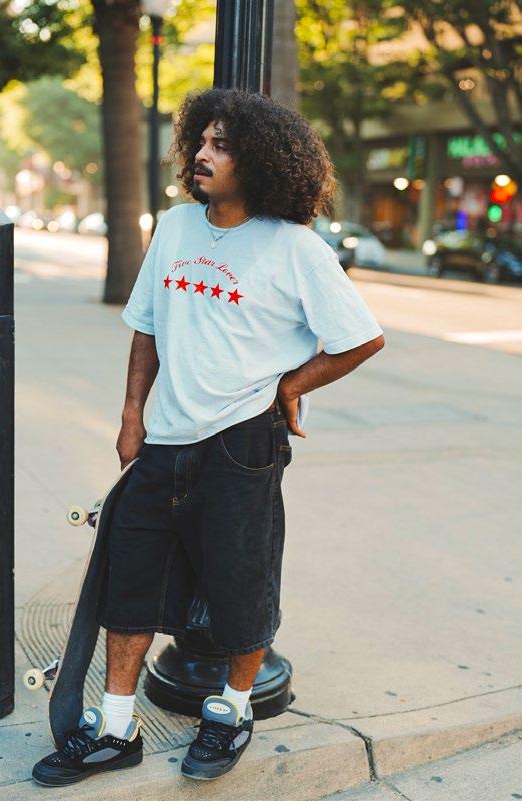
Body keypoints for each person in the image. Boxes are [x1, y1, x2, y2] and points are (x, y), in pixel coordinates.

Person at [32, 88, 384, 787]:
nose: (201, 154)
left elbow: (360, 338)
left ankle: (230, 710)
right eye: (201, 141)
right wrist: (131, 415)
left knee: (240, 584)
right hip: (161, 442)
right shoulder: (173, 227)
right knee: (130, 581)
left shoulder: (294, 247)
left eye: (221, 146)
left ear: (259, 161)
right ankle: (115, 728)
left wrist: (287, 387)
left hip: (240, 443)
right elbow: (146, 325)